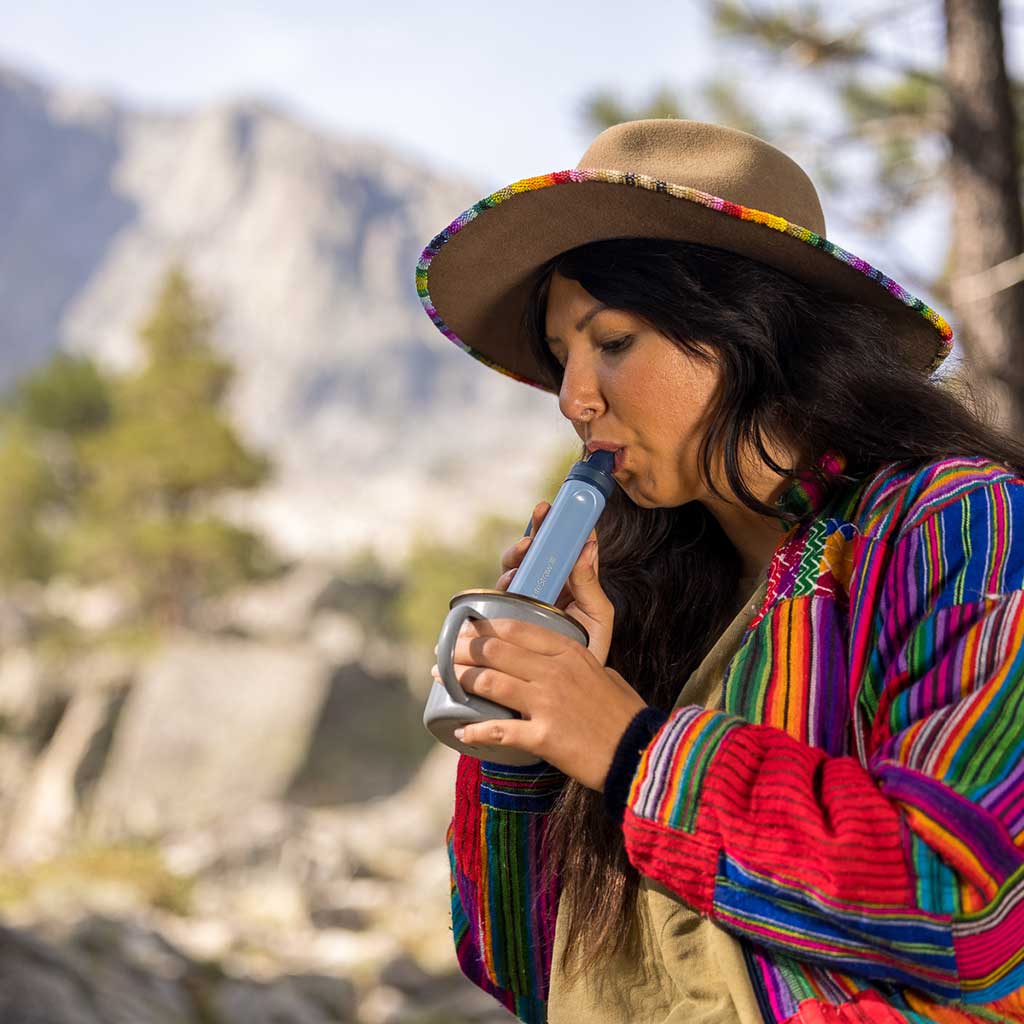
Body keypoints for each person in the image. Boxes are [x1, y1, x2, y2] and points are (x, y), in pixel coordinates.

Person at [415, 119, 1024, 1023]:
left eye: (612, 341)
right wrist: (527, 745)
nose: (574, 399)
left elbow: (974, 905)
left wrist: (631, 750)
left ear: (751, 329)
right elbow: (528, 972)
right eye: (561, 357)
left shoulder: (960, 526)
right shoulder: (642, 596)